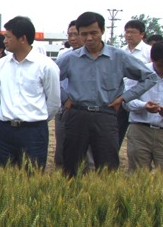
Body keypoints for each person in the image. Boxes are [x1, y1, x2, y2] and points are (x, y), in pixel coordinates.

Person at [58, 12, 157, 176]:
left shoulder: (119, 56)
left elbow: (150, 77)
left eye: (93, 33)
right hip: (77, 115)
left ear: (102, 31)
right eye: (84, 34)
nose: (89, 38)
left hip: (106, 115)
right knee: (71, 166)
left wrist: (124, 98)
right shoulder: (70, 58)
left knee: (108, 166)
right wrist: (65, 98)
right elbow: (51, 79)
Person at [0, 16, 60, 170]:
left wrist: (36, 119)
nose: (4, 41)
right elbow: (0, 93)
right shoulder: (2, 64)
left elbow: (54, 102)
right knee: (1, 176)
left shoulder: (46, 66)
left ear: (22, 39)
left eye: (8, 37)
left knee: (32, 175)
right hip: (4, 130)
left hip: (33, 132)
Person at [124, 41, 163, 171]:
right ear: (152, 59)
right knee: (137, 174)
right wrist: (144, 106)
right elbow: (125, 99)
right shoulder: (139, 73)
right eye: (160, 65)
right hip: (140, 130)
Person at [117, 19, 153, 147]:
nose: (129, 35)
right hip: (122, 97)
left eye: (132, 32)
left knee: (139, 136)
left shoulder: (149, 52)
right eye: (127, 32)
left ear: (142, 34)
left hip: (141, 98)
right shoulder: (120, 52)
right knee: (117, 133)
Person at [54, 20, 82, 167]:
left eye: (76, 34)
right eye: (70, 35)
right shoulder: (64, 57)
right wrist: (65, 98)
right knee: (62, 149)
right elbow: (52, 81)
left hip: (90, 111)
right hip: (66, 108)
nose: (72, 38)